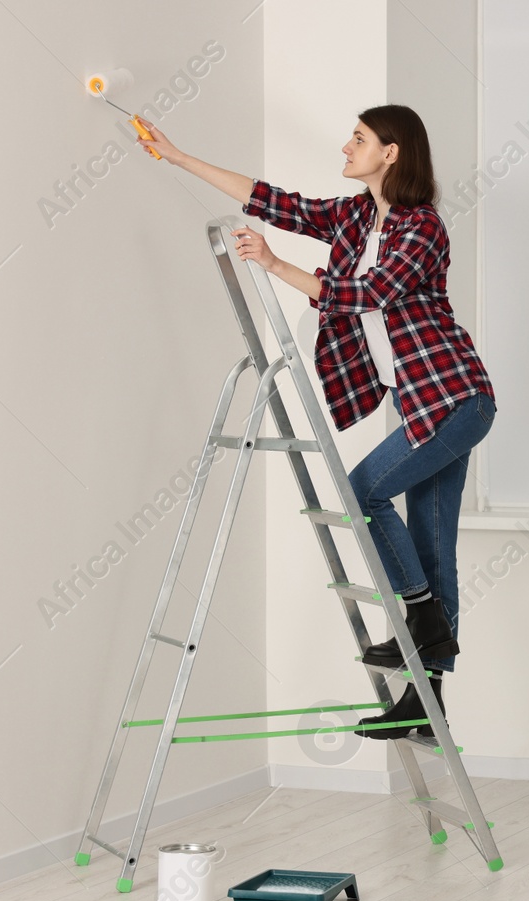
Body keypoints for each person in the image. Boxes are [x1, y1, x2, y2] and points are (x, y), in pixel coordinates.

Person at [132, 104, 494, 741]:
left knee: (363, 490)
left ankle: (418, 619)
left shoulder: (423, 227)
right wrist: (179, 155)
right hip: (420, 403)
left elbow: (368, 294)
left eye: (359, 139)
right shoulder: (357, 215)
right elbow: (279, 203)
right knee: (433, 547)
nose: (346, 146)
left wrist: (274, 265)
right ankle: (425, 704)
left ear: (392, 152)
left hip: (454, 399)